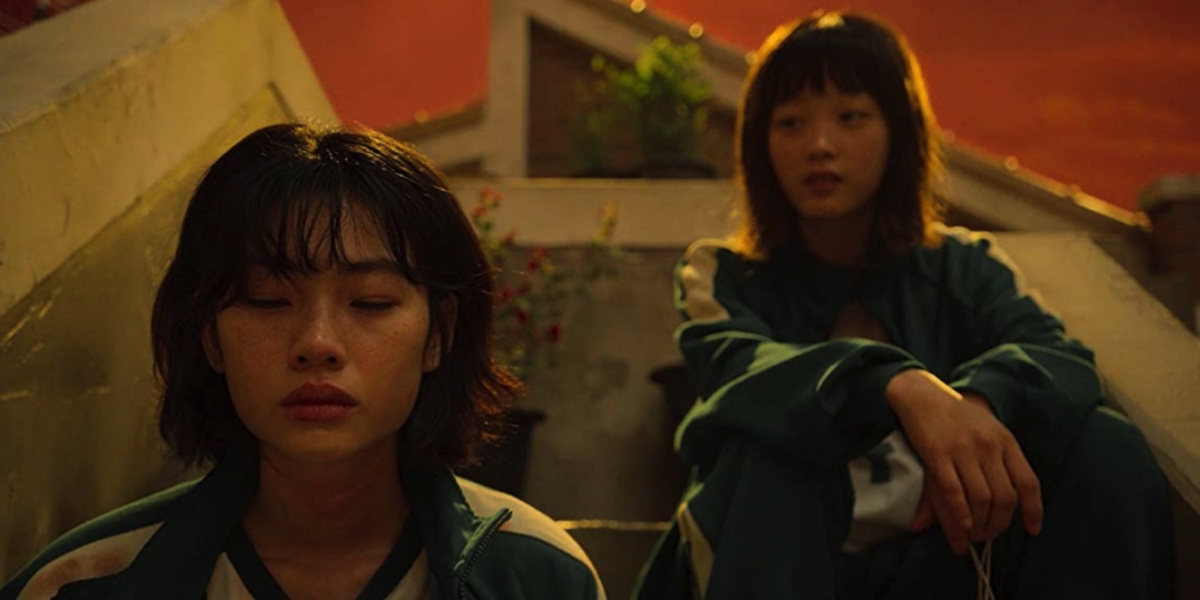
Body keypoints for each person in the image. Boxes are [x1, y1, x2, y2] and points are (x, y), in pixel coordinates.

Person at [635, 11, 1171, 600]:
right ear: (759, 145)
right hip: (782, 555)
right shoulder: (722, 273)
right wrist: (902, 387)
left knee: (1106, 443)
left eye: (850, 117)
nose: (819, 146)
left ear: (900, 131)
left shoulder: (965, 266)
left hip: (940, 558)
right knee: (763, 449)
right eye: (790, 122)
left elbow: (1058, 357)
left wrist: (976, 403)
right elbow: (742, 369)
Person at [1, 123, 605, 600]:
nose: (317, 342)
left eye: (370, 303)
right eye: (268, 300)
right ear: (210, 335)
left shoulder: (536, 576)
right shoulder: (87, 583)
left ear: (438, 334)